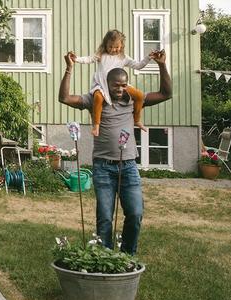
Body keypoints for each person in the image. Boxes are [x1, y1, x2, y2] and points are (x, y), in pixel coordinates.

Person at [58, 49, 172, 255]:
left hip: (128, 166)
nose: (120, 89)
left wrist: (162, 65)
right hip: (103, 167)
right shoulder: (96, 99)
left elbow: (166, 94)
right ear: (106, 84)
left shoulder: (133, 99)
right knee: (104, 218)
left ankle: (127, 256)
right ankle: (104, 257)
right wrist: (69, 68)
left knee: (135, 213)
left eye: (123, 85)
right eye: (115, 86)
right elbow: (64, 98)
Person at [70, 29, 153, 137]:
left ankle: (136, 120)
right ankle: (96, 125)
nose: (113, 49)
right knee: (98, 98)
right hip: (102, 84)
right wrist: (76, 59)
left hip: (119, 85)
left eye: (117, 47)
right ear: (105, 45)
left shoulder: (123, 58)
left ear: (121, 46)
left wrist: (148, 58)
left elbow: (138, 66)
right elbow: (88, 59)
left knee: (139, 95)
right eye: (110, 47)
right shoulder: (101, 55)